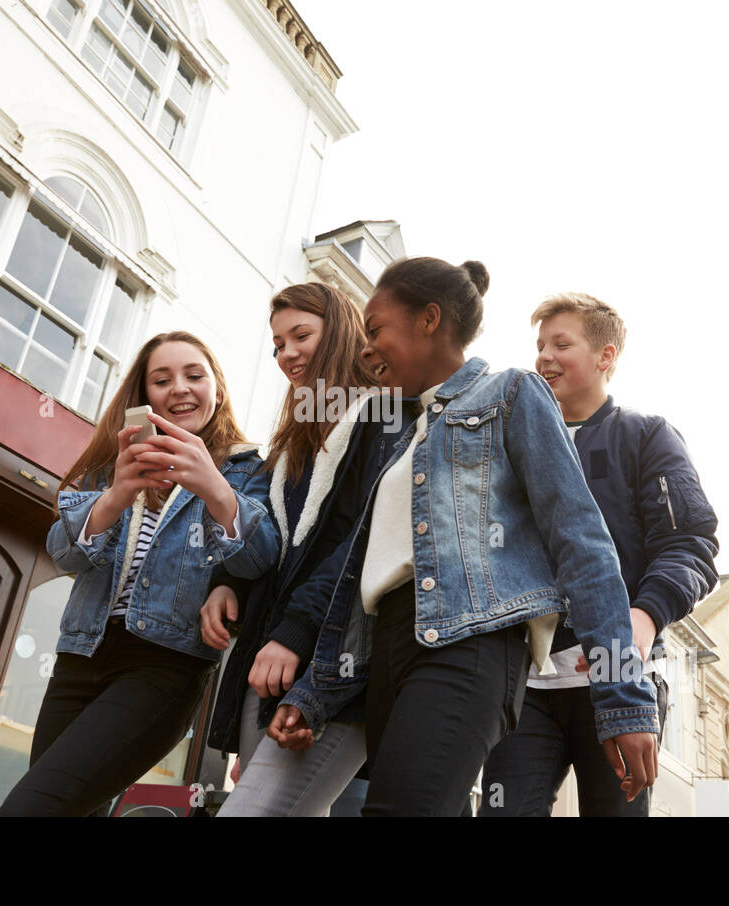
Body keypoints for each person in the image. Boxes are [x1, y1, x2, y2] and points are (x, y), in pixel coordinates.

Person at [266, 257, 661, 817]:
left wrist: (623, 699)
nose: (365, 349)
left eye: (375, 330)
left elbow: (582, 542)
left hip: (469, 645)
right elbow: (358, 578)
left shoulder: (511, 394)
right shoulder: (399, 437)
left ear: (429, 320)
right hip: (390, 653)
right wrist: (314, 693)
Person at [0, 331, 278, 817]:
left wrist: (212, 485)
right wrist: (116, 495)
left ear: (218, 388)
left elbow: (260, 559)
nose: (180, 388)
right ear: (144, 396)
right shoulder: (115, 461)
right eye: (162, 379)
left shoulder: (246, 470)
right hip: (81, 654)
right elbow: (64, 553)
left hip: (163, 666)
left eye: (195, 375)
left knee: (32, 807)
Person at [478, 292, 719, 817]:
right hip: (522, 687)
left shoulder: (646, 435)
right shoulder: (503, 444)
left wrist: (643, 616)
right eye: (539, 344)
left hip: (618, 679)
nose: (543, 356)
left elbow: (691, 545)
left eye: (561, 343)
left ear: (605, 356)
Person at [200, 282, 394, 817]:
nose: (287, 354)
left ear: (341, 333)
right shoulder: (291, 442)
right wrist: (229, 582)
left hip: (331, 659)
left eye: (301, 335)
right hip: (269, 658)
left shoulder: (384, 419)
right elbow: (268, 532)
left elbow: (363, 543)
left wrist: (296, 632)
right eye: (278, 344)